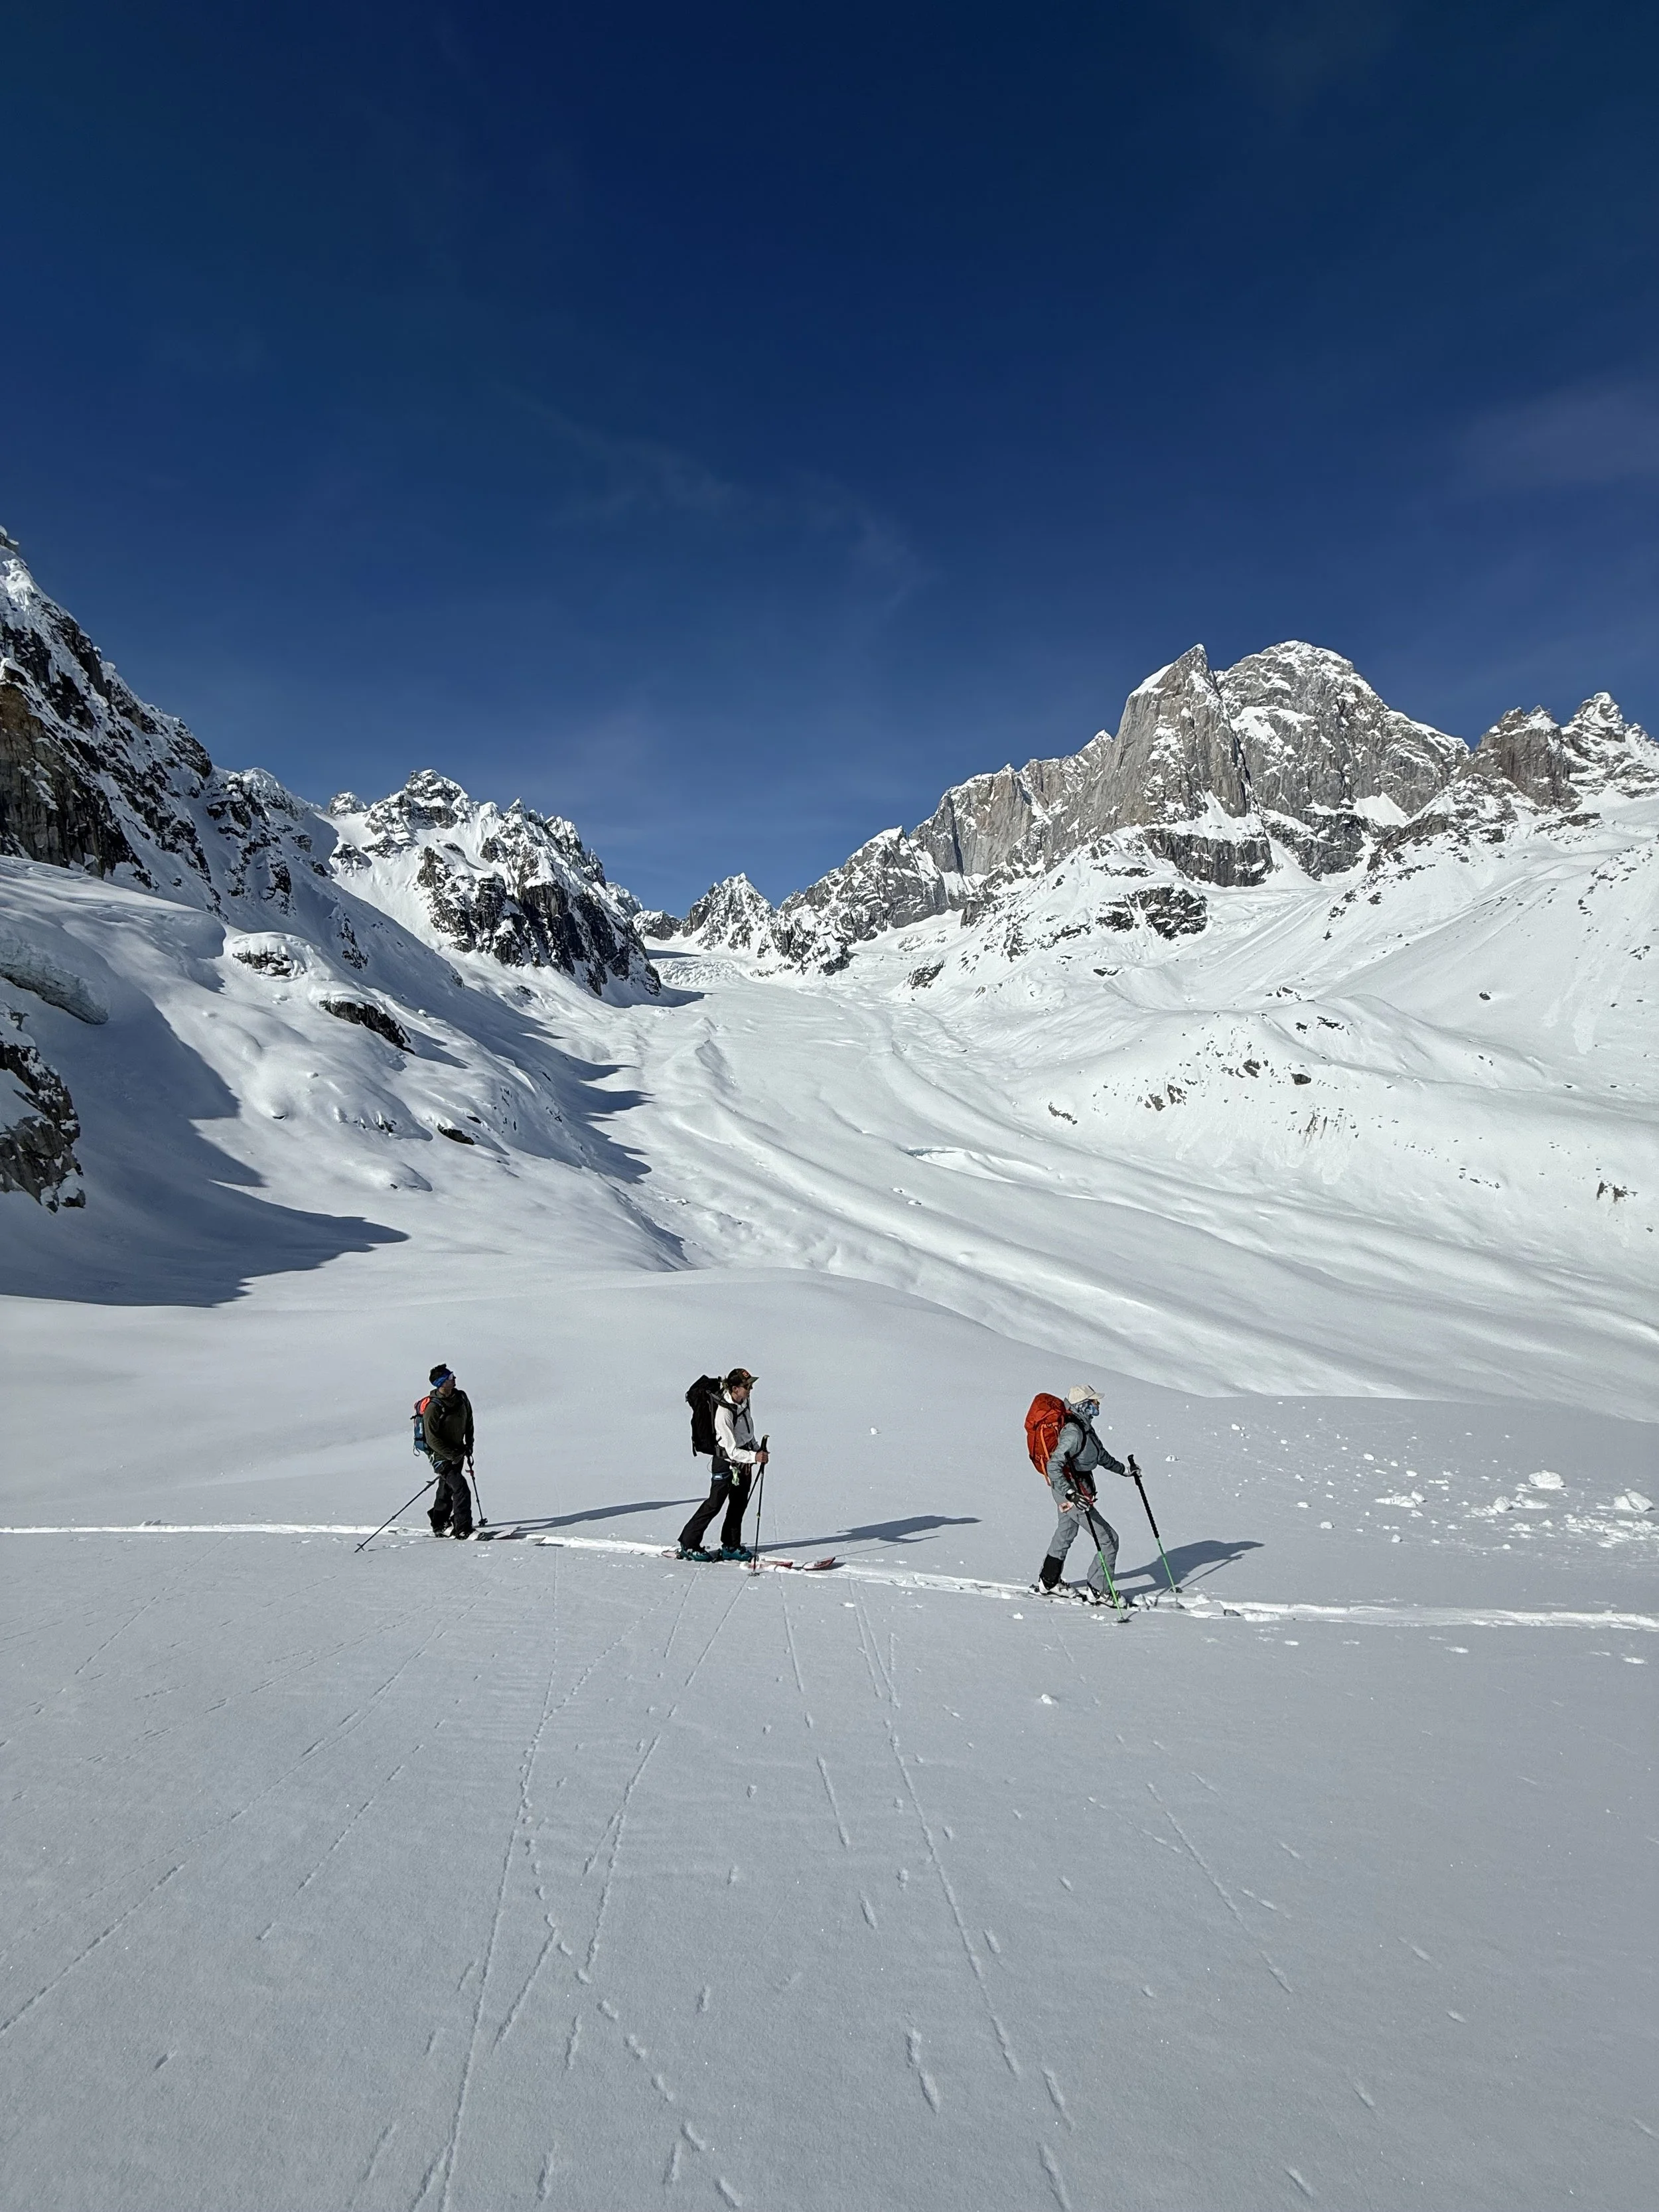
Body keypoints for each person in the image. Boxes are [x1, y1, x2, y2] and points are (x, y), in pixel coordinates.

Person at [1035, 1383, 1131, 1603]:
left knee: (1066, 1532)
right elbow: (1054, 1466)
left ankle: (1048, 1582)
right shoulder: (1073, 1432)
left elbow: (1101, 1456)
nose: (1098, 1404)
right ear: (1083, 1405)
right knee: (1109, 1539)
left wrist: (1125, 1471)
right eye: (1094, 1401)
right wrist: (1070, 1494)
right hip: (1072, 1494)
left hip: (1074, 1491)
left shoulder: (1084, 1427)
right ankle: (1100, 1590)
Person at [678, 1368, 768, 1561]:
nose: (750, 1389)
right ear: (735, 1388)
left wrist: (758, 1449)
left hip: (744, 1462)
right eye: (747, 1386)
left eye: (750, 1385)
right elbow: (731, 1451)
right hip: (726, 1462)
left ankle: (731, 1546)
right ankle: (689, 1542)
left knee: (738, 1504)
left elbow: (748, 1434)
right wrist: (754, 1457)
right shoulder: (724, 1413)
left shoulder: (744, 1402)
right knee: (714, 1504)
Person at [423, 1364, 475, 1539]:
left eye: (452, 1375)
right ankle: (463, 1529)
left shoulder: (461, 1397)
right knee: (461, 1488)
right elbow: (432, 1439)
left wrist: (469, 1444)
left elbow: (468, 1420)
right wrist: (451, 1454)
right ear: (441, 1383)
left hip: (458, 1451)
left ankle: (439, 1522)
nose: (454, 1378)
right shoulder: (433, 1407)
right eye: (450, 1377)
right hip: (440, 1456)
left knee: (446, 1489)